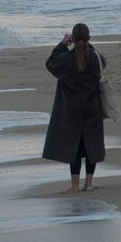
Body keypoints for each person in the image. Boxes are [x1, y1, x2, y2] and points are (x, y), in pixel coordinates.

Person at [43, 22, 107, 192]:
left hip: (71, 109)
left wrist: (63, 44)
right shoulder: (95, 57)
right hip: (92, 107)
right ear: (88, 38)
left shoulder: (66, 59)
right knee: (92, 144)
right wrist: (87, 43)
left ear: (73, 38)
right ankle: (89, 184)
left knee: (75, 146)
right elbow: (103, 63)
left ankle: (74, 186)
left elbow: (50, 63)